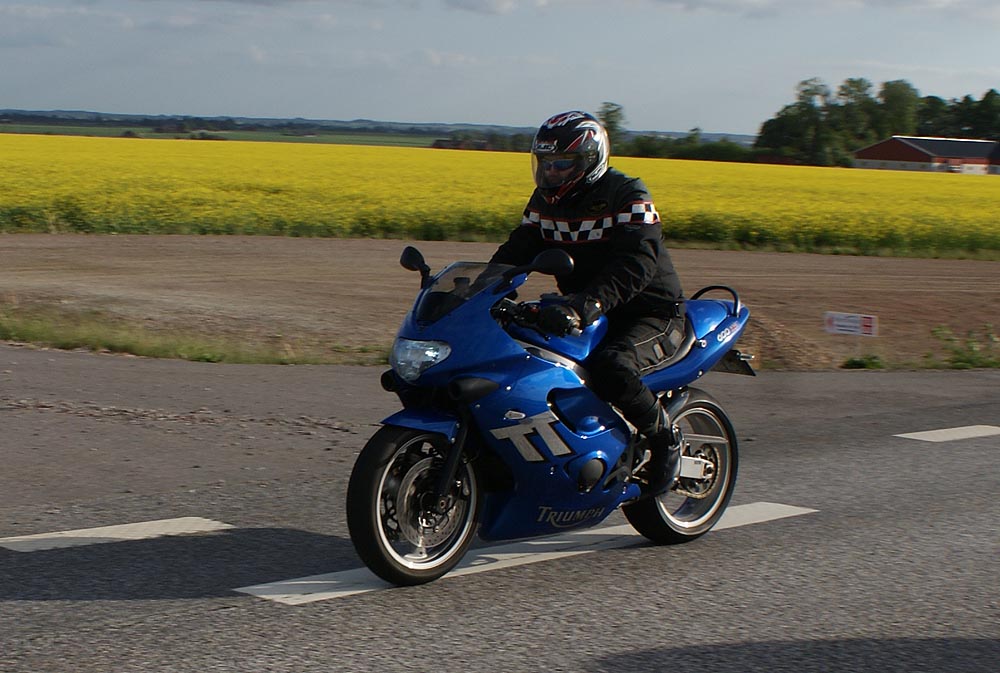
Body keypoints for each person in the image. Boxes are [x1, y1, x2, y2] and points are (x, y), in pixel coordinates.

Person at [490, 110, 686, 495]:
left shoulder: (628, 195)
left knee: (612, 367)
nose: (551, 172)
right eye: (545, 163)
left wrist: (586, 305)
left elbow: (636, 263)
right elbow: (517, 251)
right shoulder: (544, 203)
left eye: (562, 163)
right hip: (586, 310)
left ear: (590, 160)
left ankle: (666, 440)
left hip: (649, 312)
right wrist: (485, 290)